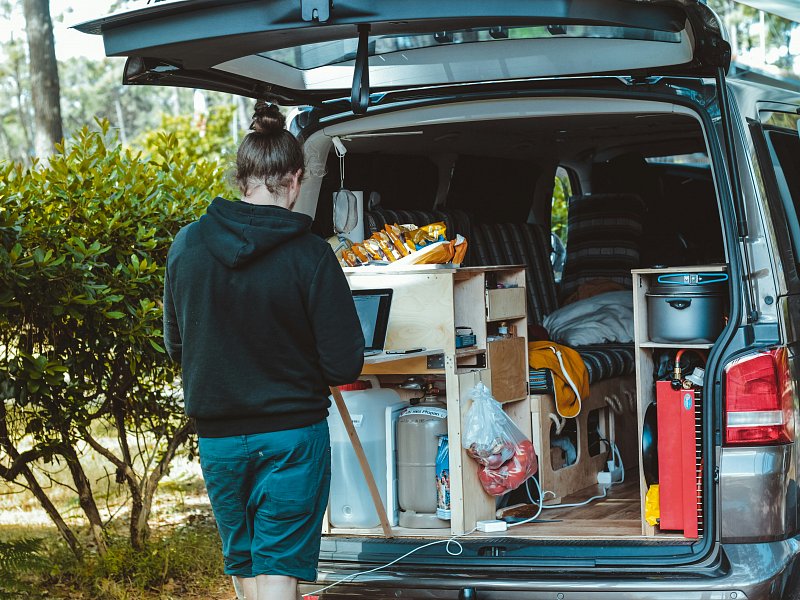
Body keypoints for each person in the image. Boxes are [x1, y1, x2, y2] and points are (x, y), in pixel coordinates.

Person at [162, 100, 365, 600]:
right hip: (292, 437)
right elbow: (343, 364)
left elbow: (176, 344)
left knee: (246, 560)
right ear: (294, 181)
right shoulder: (310, 254)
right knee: (278, 566)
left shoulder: (186, 246)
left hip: (219, 439)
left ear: (241, 178)